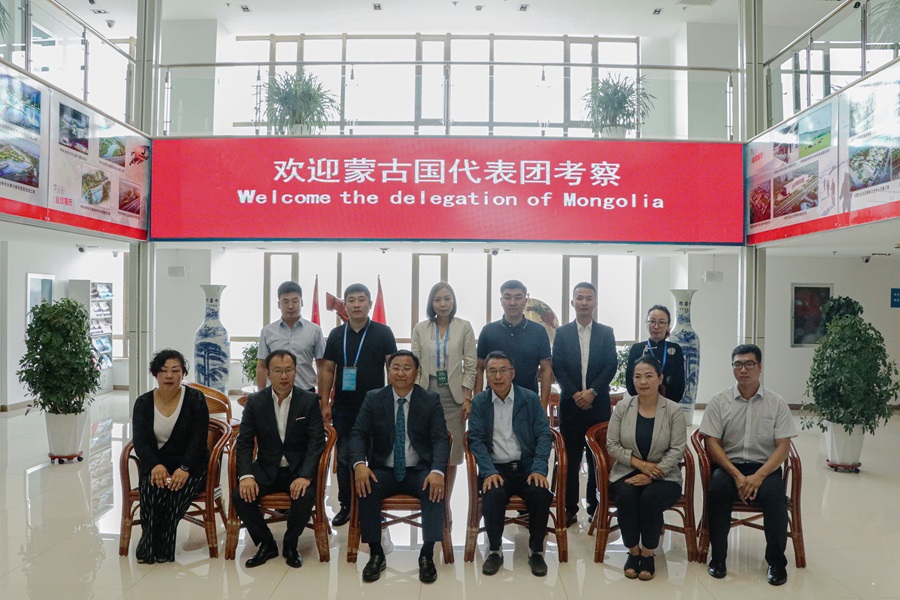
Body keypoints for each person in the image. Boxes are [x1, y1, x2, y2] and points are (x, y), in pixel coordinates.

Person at [699, 344, 797, 586]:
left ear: (760, 367)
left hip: (764, 469)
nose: (743, 370)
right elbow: (711, 443)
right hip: (729, 466)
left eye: (749, 364)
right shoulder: (719, 401)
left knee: (776, 498)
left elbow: (783, 447)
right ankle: (718, 559)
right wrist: (736, 475)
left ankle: (776, 563)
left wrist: (759, 477)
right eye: (738, 364)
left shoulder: (776, 402)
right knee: (717, 491)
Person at [350, 350, 450, 583]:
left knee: (433, 488)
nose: (401, 373)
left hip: (419, 469)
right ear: (388, 372)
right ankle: (376, 553)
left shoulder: (430, 399)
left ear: (416, 372)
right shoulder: (374, 398)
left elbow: (440, 439)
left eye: (407, 368)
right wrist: (359, 464)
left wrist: (437, 471)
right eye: (395, 368)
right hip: (384, 468)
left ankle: (427, 554)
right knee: (367, 487)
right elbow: (357, 434)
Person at [232, 350, 326, 568]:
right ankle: (266, 543)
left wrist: (305, 475)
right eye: (277, 371)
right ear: (268, 373)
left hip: (297, 469)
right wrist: (246, 475)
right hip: (267, 468)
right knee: (240, 495)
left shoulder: (309, 401)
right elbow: (244, 442)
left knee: (305, 496)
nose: (284, 376)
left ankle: (291, 545)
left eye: (288, 370)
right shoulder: (255, 402)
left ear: (295, 372)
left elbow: (316, 442)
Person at [318, 283, 398, 527]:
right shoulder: (336, 335)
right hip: (344, 406)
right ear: (345, 305)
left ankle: (373, 504)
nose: (356, 304)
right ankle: (346, 505)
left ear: (370, 304)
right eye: (351, 300)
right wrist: (324, 402)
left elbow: (393, 368)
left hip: (376, 407)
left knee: (376, 457)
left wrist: (395, 401)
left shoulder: (383, 333)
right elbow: (327, 370)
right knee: (344, 457)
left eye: (361, 299)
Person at [468, 351, 553, 577]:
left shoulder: (529, 399)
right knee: (492, 494)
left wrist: (539, 468)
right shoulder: (480, 402)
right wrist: (488, 471)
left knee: (540, 493)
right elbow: (475, 439)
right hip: (496, 468)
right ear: (486, 375)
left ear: (513, 373)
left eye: (503, 370)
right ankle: (495, 550)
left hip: (527, 467)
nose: (498, 376)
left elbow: (544, 435)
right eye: (492, 371)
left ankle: (536, 551)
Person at [607, 356, 686, 581]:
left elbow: (678, 449)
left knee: (650, 497)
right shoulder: (623, 407)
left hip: (665, 475)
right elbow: (612, 444)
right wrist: (641, 466)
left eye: (649, 376)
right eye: (638, 376)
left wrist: (653, 474)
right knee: (626, 495)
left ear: (660, 378)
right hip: (626, 470)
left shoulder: (673, 410)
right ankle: (633, 551)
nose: (643, 382)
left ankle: (649, 552)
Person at [131, 349, 210, 564]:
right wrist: (154, 465)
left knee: (175, 494)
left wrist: (185, 469)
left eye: (175, 370)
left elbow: (198, 440)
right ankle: (149, 544)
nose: (169, 376)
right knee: (150, 490)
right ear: (155, 374)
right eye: (163, 370)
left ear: (183, 373)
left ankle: (163, 545)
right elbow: (140, 441)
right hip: (158, 464)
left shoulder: (195, 399)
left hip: (191, 466)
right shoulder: (143, 403)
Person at [551, 282, 617, 526]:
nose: (584, 302)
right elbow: (558, 366)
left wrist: (592, 392)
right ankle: (569, 507)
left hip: (598, 407)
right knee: (570, 459)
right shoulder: (562, 333)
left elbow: (611, 365)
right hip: (570, 406)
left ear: (595, 303)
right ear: (572, 302)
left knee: (596, 460)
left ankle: (595, 506)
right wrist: (576, 394)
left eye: (588, 298)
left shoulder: (606, 333)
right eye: (579, 298)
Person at [411, 281, 476, 502]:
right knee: (426, 447)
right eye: (437, 299)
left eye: (447, 299)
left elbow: (470, 365)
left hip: (454, 396)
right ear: (431, 303)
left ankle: (445, 503)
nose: (443, 304)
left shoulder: (464, 326)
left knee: (452, 452)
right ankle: (431, 501)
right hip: (426, 392)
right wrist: (414, 395)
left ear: (453, 301)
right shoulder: (421, 328)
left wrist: (467, 398)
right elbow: (415, 364)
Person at [475, 280, 552, 410]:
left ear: (525, 301)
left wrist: (543, 406)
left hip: (528, 404)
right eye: (507, 297)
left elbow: (546, 370)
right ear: (501, 301)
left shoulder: (539, 331)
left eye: (518, 297)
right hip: (493, 402)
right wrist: (477, 402)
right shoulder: (488, 331)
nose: (512, 302)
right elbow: (479, 368)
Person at [256, 281, 325, 392]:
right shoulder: (267, 331)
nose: (291, 306)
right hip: (276, 393)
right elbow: (261, 366)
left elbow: (322, 367)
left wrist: (322, 397)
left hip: (306, 392)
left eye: (295, 301)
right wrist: (261, 395)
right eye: (285, 302)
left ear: (302, 302)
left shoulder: (315, 330)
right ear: (279, 304)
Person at [625, 305, 685, 403]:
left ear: (668, 326)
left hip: (669, 404)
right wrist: (644, 400)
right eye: (652, 322)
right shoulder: (637, 349)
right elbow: (630, 381)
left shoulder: (675, 349)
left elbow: (679, 383)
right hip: (641, 403)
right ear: (647, 324)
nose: (656, 326)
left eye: (661, 322)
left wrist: (666, 403)